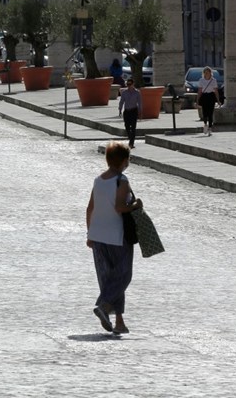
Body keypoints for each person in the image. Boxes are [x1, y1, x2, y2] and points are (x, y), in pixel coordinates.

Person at [86, 142, 142, 335]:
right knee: (123, 276)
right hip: (118, 236)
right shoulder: (122, 180)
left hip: (98, 236)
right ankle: (104, 306)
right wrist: (135, 205)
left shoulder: (98, 180)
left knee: (108, 279)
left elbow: (90, 208)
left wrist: (89, 233)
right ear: (125, 161)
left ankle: (119, 321)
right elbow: (120, 207)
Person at [117, 78, 142, 149]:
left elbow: (140, 103)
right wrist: (120, 109)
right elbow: (121, 101)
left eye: (130, 84)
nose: (128, 86)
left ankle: (131, 143)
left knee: (133, 127)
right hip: (127, 111)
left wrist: (140, 112)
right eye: (127, 84)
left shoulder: (137, 93)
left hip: (134, 111)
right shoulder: (124, 92)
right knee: (127, 126)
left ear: (133, 84)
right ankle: (130, 138)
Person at [197, 66, 221, 136]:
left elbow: (216, 91)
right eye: (206, 72)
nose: (207, 74)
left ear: (211, 73)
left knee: (210, 113)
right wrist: (197, 100)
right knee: (205, 112)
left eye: (208, 72)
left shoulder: (213, 80)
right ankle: (205, 124)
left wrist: (218, 100)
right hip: (204, 96)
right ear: (204, 73)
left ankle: (210, 128)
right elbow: (199, 91)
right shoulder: (201, 80)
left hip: (211, 96)